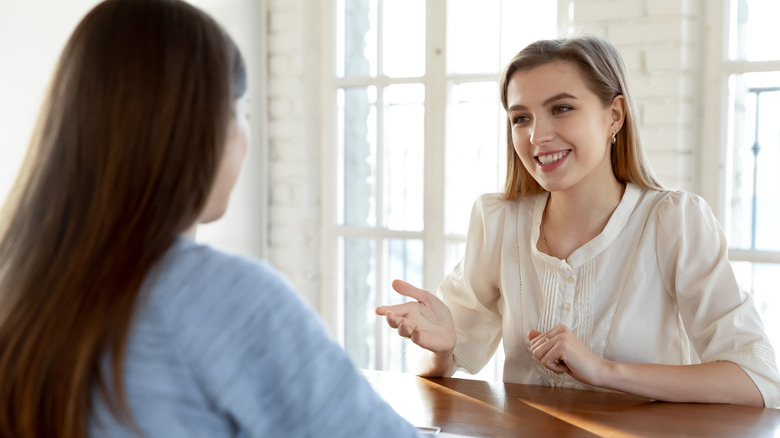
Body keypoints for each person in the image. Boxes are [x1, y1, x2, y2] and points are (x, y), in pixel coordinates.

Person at [0, 1, 422, 437]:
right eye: (244, 111)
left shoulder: (23, 289)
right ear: (200, 127)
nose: (246, 135)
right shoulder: (224, 298)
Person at [377, 35, 780, 408]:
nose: (536, 136)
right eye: (521, 118)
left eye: (561, 109)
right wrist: (442, 348)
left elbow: (757, 380)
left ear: (615, 116)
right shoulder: (498, 221)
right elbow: (439, 372)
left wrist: (604, 371)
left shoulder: (674, 221)